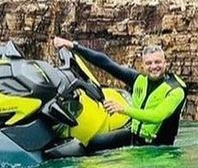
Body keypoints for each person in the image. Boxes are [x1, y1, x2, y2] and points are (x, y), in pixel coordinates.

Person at [52, 35, 186, 150]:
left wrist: (123, 109)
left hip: (159, 148)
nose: (153, 67)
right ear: (143, 65)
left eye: (158, 62)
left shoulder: (176, 89)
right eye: (149, 63)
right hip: (134, 137)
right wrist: (72, 45)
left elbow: (156, 116)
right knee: (93, 143)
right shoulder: (138, 79)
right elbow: (107, 63)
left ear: (165, 63)